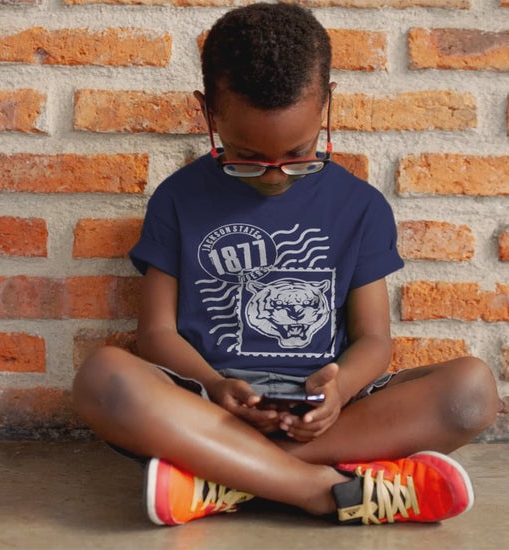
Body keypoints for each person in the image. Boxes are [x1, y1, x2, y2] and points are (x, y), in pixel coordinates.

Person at [72, 2, 498, 527]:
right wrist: (215, 387)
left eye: (298, 154)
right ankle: (321, 489)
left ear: (326, 105)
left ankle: (223, 478)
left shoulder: (360, 206)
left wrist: (339, 391)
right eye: (246, 156)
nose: (274, 175)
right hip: (208, 408)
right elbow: (157, 334)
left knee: (471, 391)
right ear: (208, 113)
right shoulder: (177, 199)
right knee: (103, 376)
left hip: (327, 416)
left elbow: (373, 339)